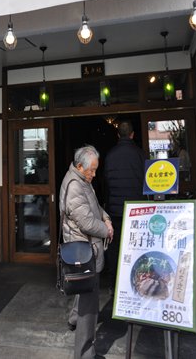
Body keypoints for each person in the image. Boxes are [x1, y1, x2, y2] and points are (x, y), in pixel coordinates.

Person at [60, 145, 113, 359]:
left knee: (83, 289)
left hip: (87, 248)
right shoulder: (75, 186)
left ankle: (74, 318)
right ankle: (84, 353)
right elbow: (87, 222)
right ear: (80, 166)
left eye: (96, 169)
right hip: (84, 251)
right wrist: (106, 229)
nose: (94, 174)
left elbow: (95, 207)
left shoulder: (83, 180)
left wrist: (106, 216)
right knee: (89, 309)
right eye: (91, 170)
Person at [104, 120, 145, 295]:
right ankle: (137, 284)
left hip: (116, 210)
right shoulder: (140, 154)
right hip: (137, 211)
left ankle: (115, 285)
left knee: (116, 248)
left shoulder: (110, 155)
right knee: (137, 247)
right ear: (132, 135)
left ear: (118, 135)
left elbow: (106, 182)